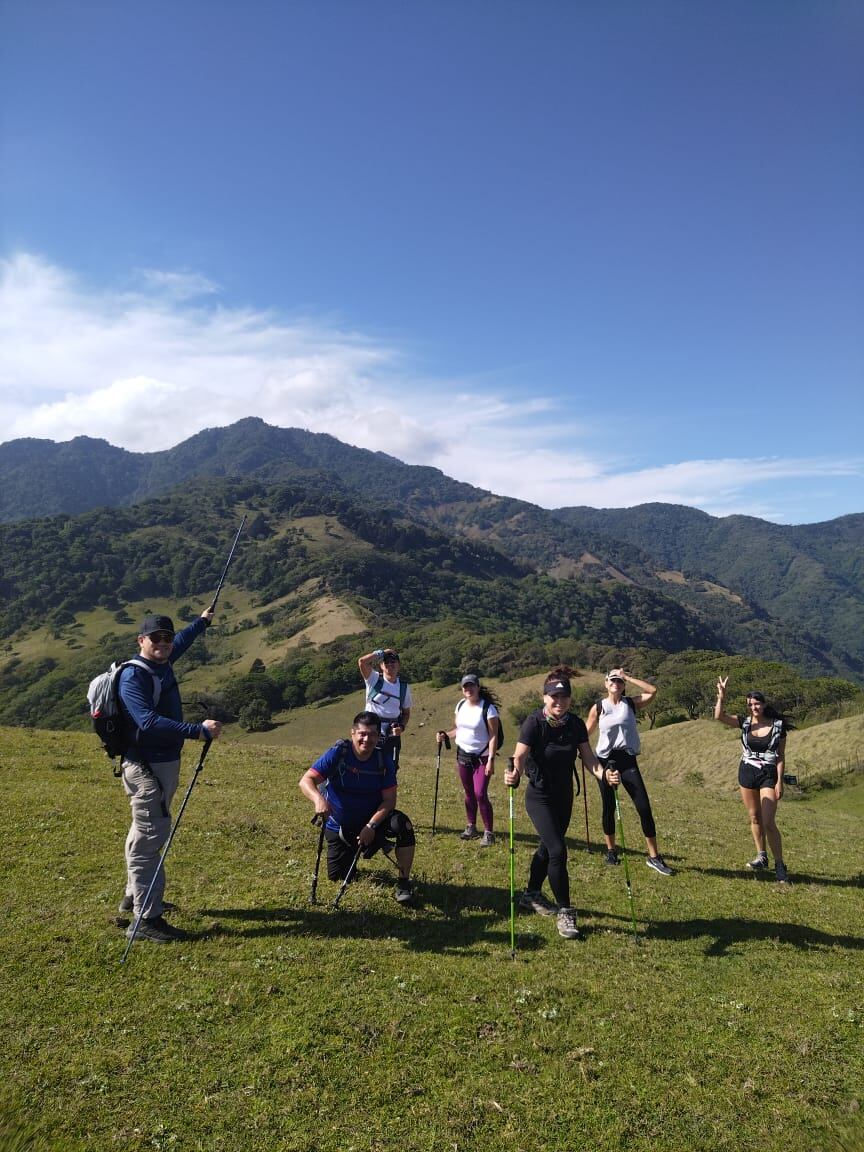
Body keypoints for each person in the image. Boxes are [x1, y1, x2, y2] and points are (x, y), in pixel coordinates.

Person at [118, 609, 223, 943]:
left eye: (166, 637)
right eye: (156, 638)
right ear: (141, 641)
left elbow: (182, 641)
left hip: (163, 763)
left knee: (144, 832)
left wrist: (202, 622)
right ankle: (146, 919)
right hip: (147, 766)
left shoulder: (161, 661)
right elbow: (147, 721)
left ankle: (135, 896)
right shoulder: (134, 677)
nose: (163, 643)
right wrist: (197, 731)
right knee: (150, 837)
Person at [504, 668, 617, 939]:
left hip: (564, 796)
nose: (559, 701)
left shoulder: (576, 724)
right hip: (539, 796)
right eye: (554, 696)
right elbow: (519, 756)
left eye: (564, 696)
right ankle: (566, 912)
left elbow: (588, 758)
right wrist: (515, 773)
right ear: (545, 697)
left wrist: (603, 774)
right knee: (558, 850)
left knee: (547, 846)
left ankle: (530, 894)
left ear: (569, 699)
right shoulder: (534, 722)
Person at [299, 711, 416, 905]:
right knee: (337, 876)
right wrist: (318, 800)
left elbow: (389, 801)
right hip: (340, 826)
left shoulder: (383, 760)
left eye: (372, 734)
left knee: (403, 825)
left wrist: (371, 826)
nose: (366, 739)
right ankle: (368, 845)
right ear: (353, 733)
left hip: (372, 821)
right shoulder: (339, 753)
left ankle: (403, 882)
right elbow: (306, 780)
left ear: (378, 736)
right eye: (362, 733)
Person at [586, 668, 673, 875]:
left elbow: (652, 691)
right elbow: (584, 732)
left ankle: (653, 857)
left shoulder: (631, 703)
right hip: (605, 760)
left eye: (619, 681)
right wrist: (576, 750)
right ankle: (611, 850)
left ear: (623, 685)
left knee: (643, 807)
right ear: (606, 683)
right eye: (612, 680)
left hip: (628, 760)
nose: (616, 683)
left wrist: (628, 677)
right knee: (608, 807)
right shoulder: (599, 707)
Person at [714, 677, 792, 882]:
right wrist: (721, 696)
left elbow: (781, 755)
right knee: (754, 817)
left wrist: (779, 781)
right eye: (750, 704)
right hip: (747, 772)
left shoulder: (778, 726)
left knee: (768, 821)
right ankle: (761, 857)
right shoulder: (745, 723)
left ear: (764, 704)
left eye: (757, 703)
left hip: (768, 774)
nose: (754, 707)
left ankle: (780, 864)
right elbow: (719, 716)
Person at [436, 673, 500, 846]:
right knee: (469, 793)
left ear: (478, 687)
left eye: (471, 685)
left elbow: (493, 736)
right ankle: (471, 826)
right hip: (463, 755)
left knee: (480, 793)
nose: (468, 689)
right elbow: (458, 729)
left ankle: (489, 832)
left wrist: (491, 760)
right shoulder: (460, 705)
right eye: (465, 686)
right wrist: (445, 736)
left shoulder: (488, 709)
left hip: (482, 758)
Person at [358, 647, 413, 770]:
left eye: (393, 661)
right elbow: (362, 662)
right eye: (386, 661)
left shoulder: (404, 687)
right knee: (366, 764)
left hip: (391, 733)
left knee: (390, 767)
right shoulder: (374, 679)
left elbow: (406, 713)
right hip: (370, 728)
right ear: (381, 666)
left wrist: (402, 727)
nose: (390, 664)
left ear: (399, 665)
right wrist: (381, 652)